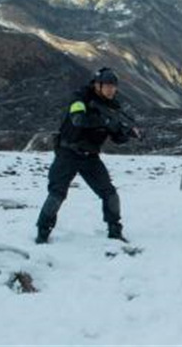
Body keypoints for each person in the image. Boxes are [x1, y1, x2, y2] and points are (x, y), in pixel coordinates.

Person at [35, 67, 141, 244]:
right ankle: (42, 233)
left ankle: (115, 232)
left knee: (110, 194)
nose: (111, 90)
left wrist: (127, 133)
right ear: (97, 85)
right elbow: (78, 120)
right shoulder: (80, 99)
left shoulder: (113, 108)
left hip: (90, 157)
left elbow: (116, 139)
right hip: (67, 153)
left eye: (114, 86)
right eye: (107, 86)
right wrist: (107, 122)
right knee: (57, 194)